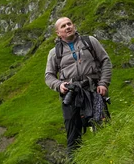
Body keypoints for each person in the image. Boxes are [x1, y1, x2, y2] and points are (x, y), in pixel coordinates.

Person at [45, 17, 112, 156]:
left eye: (69, 24)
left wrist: (103, 83)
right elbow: (49, 76)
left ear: (74, 26)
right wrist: (59, 85)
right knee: (72, 135)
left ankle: (110, 156)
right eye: (63, 26)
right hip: (71, 94)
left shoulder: (90, 41)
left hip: (93, 89)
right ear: (58, 33)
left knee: (103, 126)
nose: (68, 27)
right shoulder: (54, 53)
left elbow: (105, 61)